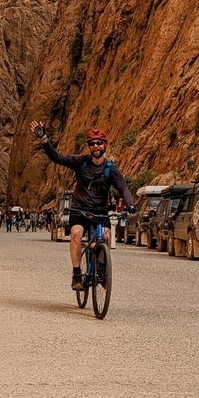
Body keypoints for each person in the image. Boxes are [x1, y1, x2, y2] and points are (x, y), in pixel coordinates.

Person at [30, 122, 135, 291]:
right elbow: (57, 157)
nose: (96, 146)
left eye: (99, 142)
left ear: (105, 145)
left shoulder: (110, 169)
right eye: (92, 143)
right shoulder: (80, 162)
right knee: (76, 233)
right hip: (79, 209)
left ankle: (101, 270)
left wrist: (130, 206)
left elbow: (123, 188)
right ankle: (77, 273)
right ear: (89, 147)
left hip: (100, 212)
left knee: (106, 238)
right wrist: (44, 139)